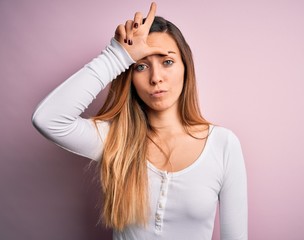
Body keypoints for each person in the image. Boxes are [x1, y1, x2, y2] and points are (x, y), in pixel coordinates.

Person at [32, 2, 247, 240]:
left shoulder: (223, 144)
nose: (156, 78)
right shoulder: (116, 139)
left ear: (186, 68)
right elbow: (48, 119)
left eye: (167, 62)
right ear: (129, 76)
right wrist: (117, 56)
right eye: (141, 66)